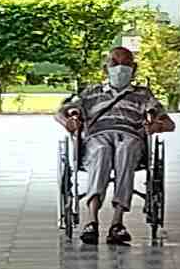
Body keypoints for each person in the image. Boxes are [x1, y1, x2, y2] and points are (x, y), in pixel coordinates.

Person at [62, 42, 170, 246]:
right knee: (102, 151)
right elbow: (64, 111)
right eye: (115, 63)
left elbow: (168, 123)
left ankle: (117, 221)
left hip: (130, 136)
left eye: (126, 64)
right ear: (106, 68)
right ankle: (92, 220)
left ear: (134, 68)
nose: (120, 68)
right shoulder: (90, 92)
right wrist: (69, 121)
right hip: (98, 136)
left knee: (126, 150)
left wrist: (156, 126)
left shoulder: (143, 94)